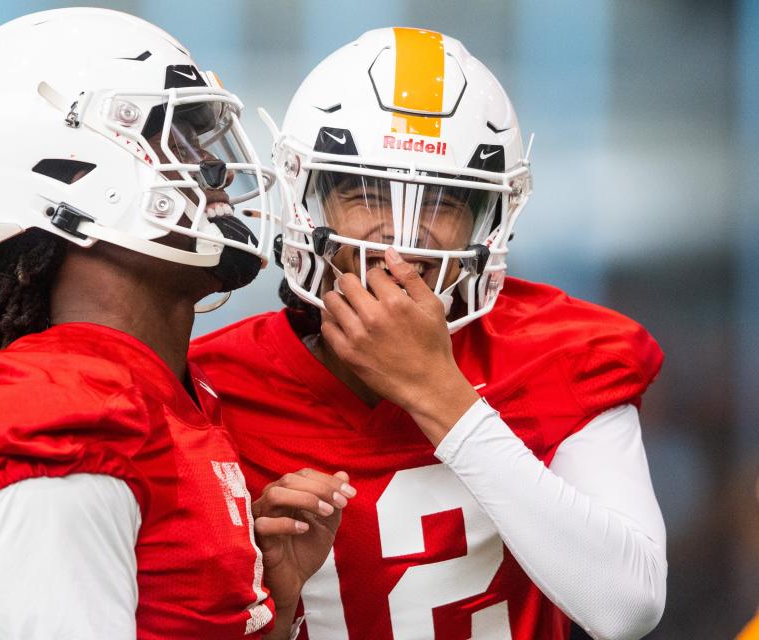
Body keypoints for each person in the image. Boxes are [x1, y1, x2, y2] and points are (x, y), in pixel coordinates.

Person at [191, 27, 667, 639]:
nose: (403, 238)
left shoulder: (561, 352)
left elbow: (626, 607)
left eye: (441, 201)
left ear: (489, 222)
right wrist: (273, 613)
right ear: (306, 204)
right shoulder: (211, 384)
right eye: (365, 191)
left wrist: (437, 392)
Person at [0, 8, 353, 639]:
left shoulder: (160, 391)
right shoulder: (58, 410)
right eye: (175, 139)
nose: (215, 170)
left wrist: (268, 614)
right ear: (67, 172)